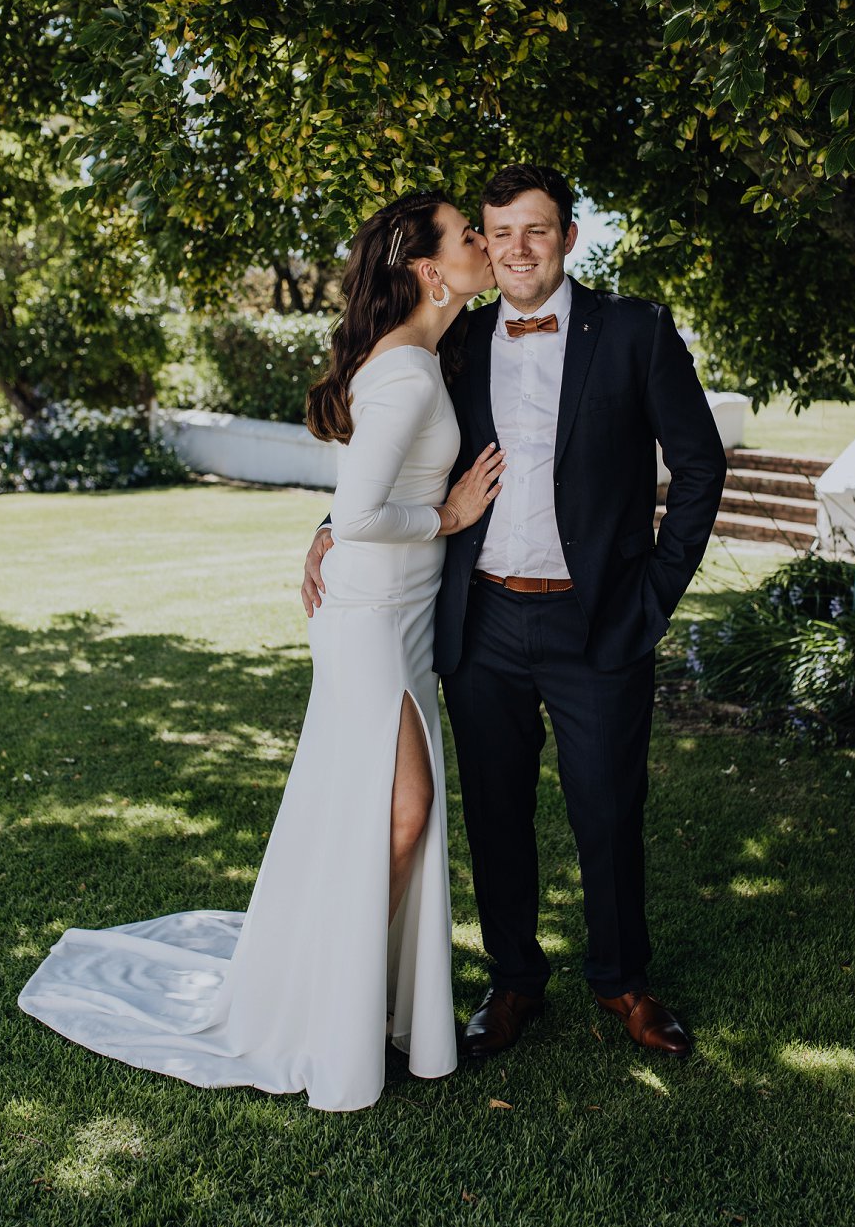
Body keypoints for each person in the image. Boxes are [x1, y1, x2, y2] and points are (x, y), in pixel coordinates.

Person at [18, 191, 500, 1111]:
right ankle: (332, 1001)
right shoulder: (406, 372)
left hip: (398, 612)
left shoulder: (422, 356)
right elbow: (358, 513)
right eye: (468, 234)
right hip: (368, 616)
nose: (483, 243)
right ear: (430, 270)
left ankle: (345, 988)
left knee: (376, 808)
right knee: (405, 810)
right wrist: (446, 516)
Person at [304, 165, 727, 1063]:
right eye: (499, 232)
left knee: (608, 809)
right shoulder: (456, 339)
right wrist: (329, 529)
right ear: (485, 248)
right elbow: (384, 456)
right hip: (482, 617)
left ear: (569, 236)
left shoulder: (636, 330)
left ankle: (622, 981)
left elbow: (699, 467)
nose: (518, 248)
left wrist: (654, 594)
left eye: (537, 229)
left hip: (599, 618)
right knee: (494, 811)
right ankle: (513, 980)